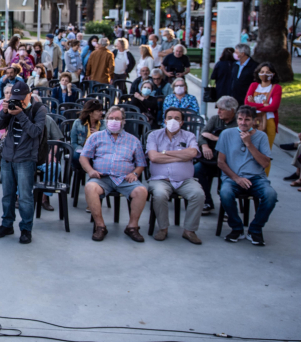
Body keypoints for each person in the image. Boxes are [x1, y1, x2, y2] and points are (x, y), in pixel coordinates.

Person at [79, 106, 148, 242]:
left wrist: (135, 173)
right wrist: (91, 171)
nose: (114, 121)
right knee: (90, 188)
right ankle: (100, 226)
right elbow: (83, 157)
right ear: (106, 120)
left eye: (117, 118)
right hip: (102, 178)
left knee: (141, 191)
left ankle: (132, 227)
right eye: (111, 118)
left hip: (125, 179)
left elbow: (141, 163)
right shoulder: (96, 137)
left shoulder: (133, 140)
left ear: (123, 121)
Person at [0, 83, 48, 244]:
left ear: (29, 95)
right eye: (15, 99)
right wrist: (4, 112)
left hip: (26, 159)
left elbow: (36, 132)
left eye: (22, 99)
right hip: (8, 157)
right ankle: (7, 225)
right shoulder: (11, 106)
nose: (19, 102)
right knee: (7, 196)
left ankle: (26, 229)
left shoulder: (39, 110)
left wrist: (21, 114)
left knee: (25, 197)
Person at [216, 106, 277, 246]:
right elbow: (221, 162)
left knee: (270, 195)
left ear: (254, 121)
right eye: (240, 119)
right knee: (225, 193)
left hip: (256, 178)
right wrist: (237, 178)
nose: (243, 122)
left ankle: (255, 229)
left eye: (247, 120)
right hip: (233, 177)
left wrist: (249, 143)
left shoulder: (261, 136)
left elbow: (265, 163)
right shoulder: (226, 134)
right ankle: (237, 228)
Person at [147, 107, 206, 244]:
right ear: (164, 120)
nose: (173, 121)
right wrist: (181, 156)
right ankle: (163, 228)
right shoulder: (154, 135)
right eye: (170, 118)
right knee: (160, 194)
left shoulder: (189, 136)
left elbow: (192, 154)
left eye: (177, 118)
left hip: (185, 180)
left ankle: (189, 231)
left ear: (182, 122)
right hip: (160, 180)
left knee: (198, 194)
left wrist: (164, 153)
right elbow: (154, 157)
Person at [194, 96, 239, 214]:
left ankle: (227, 206)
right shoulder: (215, 119)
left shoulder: (238, 122)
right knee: (197, 169)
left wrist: (215, 138)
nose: (218, 112)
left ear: (232, 110)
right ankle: (207, 201)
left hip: (229, 162)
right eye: (218, 108)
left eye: (222, 109)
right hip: (212, 159)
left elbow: (235, 144)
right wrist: (204, 145)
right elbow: (202, 135)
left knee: (226, 178)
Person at [244, 62, 281, 149]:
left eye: (268, 72)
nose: (264, 74)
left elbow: (273, 107)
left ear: (273, 74)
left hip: (269, 120)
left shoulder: (276, 88)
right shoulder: (254, 85)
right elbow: (247, 103)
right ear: (258, 73)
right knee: (252, 148)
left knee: (266, 151)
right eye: (262, 71)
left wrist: (254, 104)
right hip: (254, 120)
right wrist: (264, 105)